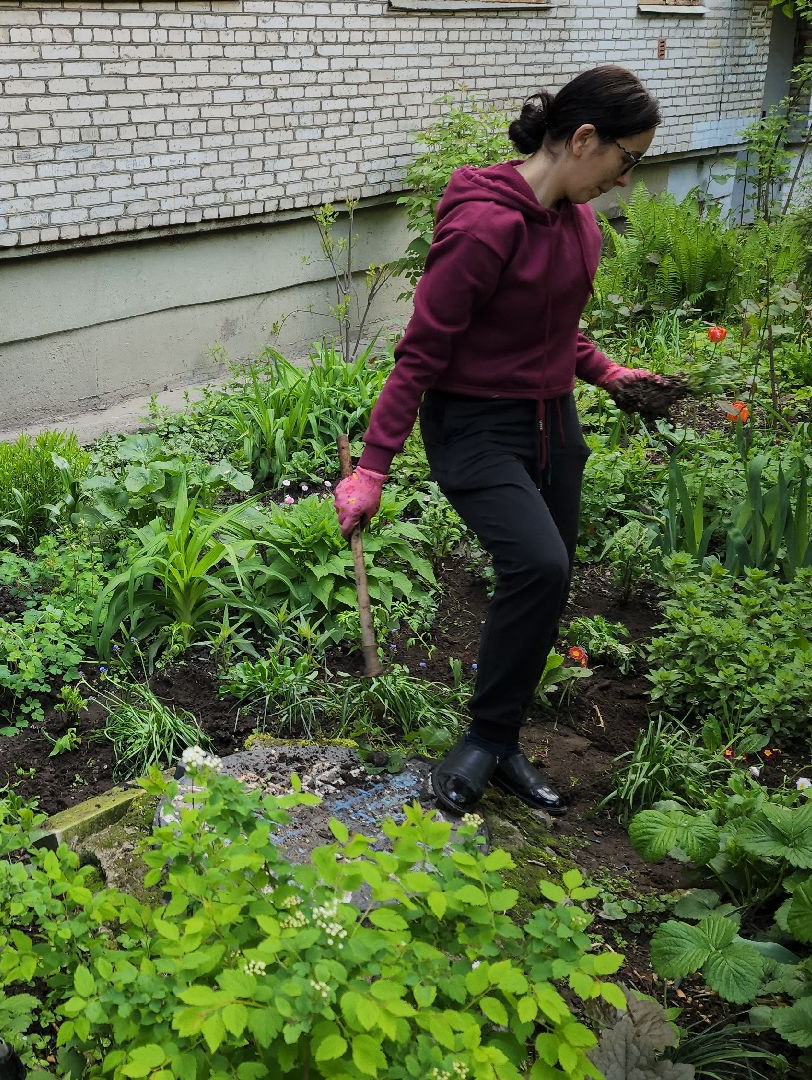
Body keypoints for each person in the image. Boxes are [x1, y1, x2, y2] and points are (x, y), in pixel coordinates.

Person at [334, 66, 670, 817]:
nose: (626, 180)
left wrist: (607, 371)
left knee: (544, 580)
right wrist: (374, 470)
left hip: (553, 423)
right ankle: (482, 742)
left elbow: (550, 328)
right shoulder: (483, 225)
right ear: (584, 139)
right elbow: (422, 351)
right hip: (475, 426)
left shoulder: (579, 226)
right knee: (540, 562)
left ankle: (503, 738)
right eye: (628, 159)